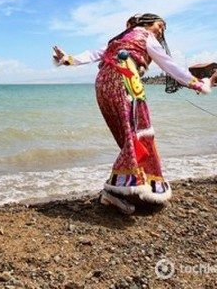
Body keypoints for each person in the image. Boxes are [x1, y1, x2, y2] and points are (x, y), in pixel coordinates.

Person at [53, 13, 216, 215]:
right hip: (125, 82)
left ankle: (133, 186)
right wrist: (200, 84)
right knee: (136, 132)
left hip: (104, 84)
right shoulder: (144, 35)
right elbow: (169, 65)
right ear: (146, 24)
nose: (161, 30)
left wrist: (67, 59)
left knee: (128, 134)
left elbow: (93, 54)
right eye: (159, 25)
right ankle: (115, 190)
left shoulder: (118, 40)